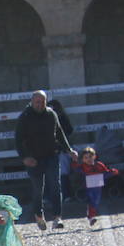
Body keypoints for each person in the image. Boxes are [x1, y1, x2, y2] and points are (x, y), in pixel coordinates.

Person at [14, 89, 76, 230]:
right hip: (33, 159)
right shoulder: (25, 117)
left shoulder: (51, 114)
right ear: (32, 102)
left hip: (51, 155)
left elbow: (59, 133)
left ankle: (57, 217)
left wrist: (68, 150)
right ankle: (38, 215)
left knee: (55, 185)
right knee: (38, 188)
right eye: (37, 102)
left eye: (42, 102)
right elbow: (18, 140)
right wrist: (25, 157)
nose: (40, 104)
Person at [73, 146, 119, 225]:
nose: (88, 159)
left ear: (94, 156)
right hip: (88, 187)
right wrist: (74, 162)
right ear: (83, 159)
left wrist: (113, 172)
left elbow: (105, 173)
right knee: (92, 201)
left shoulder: (99, 165)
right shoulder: (83, 167)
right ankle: (91, 217)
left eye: (90, 157)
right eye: (86, 157)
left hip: (98, 187)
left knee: (96, 201)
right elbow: (76, 169)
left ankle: (91, 215)